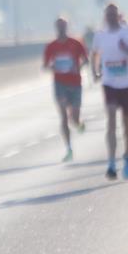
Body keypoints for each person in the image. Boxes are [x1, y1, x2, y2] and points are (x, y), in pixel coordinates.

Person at [91, 4, 128, 180]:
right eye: (108, 14)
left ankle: (127, 156)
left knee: (126, 125)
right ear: (105, 16)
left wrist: (127, 50)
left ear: (119, 16)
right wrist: (95, 72)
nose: (111, 17)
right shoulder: (100, 35)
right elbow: (94, 54)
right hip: (109, 84)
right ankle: (111, 164)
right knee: (111, 121)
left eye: (113, 14)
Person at [42, 17, 88, 161]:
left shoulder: (76, 43)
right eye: (59, 26)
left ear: (67, 27)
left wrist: (78, 67)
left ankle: (79, 124)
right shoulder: (51, 46)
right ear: (56, 28)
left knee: (74, 118)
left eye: (63, 26)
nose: (61, 28)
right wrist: (53, 67)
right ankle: (69, 148)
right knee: (63, 116)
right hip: (60, 84)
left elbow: (86, 60)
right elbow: (45, 66)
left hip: (75, 83)